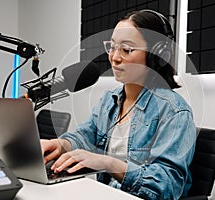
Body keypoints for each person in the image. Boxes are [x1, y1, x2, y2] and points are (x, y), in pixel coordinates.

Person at [41, 10, 196, 200]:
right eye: (112, 47)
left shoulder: (174, 111)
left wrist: (109, 163)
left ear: (158, 56)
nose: (114, 57)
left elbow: (166, 187)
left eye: (126, 49)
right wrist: (60, 144)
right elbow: (86, 136)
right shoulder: (110, 100)